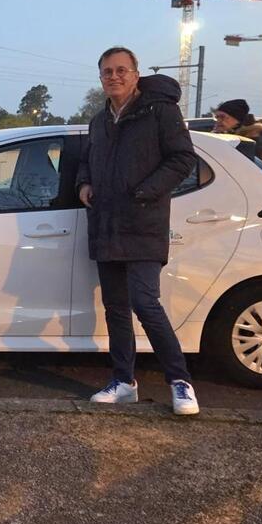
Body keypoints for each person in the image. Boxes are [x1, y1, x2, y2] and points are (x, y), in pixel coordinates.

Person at [76, 46, 200, 416]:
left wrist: (145, 191)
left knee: (145, 302)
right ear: (100, 77)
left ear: (135, 73)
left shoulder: (159, 111)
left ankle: (180, 381)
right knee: (115, 307)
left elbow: (183, 158)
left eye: (121, 70)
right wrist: (84, 184)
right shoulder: (99, 120)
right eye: (107, 72)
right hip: (107, 223)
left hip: (143, 223)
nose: (113, 77)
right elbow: (86, 160)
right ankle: (124, 381)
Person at [212, 99, 262, 163]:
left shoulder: (248, 144)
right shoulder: (222, 138)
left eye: (222, 117)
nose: (218, 120)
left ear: (237, 119)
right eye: (217, 117)